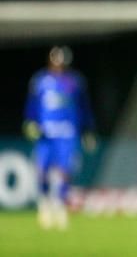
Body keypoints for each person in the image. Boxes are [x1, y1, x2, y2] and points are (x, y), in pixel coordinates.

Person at [22, 45, 97, 230]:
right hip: (46, 134)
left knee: (65, 171)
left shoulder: (75, 81)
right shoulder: (40, 80)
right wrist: (30, 121)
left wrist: (88, 130)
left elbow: (83, 107)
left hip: (67, 133)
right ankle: (45, 205)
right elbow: (32, 104)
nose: (58, 64)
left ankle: (60, 205)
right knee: (43, 171)